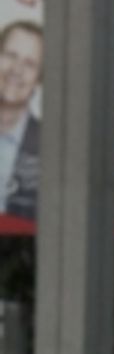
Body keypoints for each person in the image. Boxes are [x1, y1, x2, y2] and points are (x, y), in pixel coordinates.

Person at [0, 19, 43, 219]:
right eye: (10, 56)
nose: (16, 70)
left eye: (29, 64)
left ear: (39, 79)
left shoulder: (51, 150)